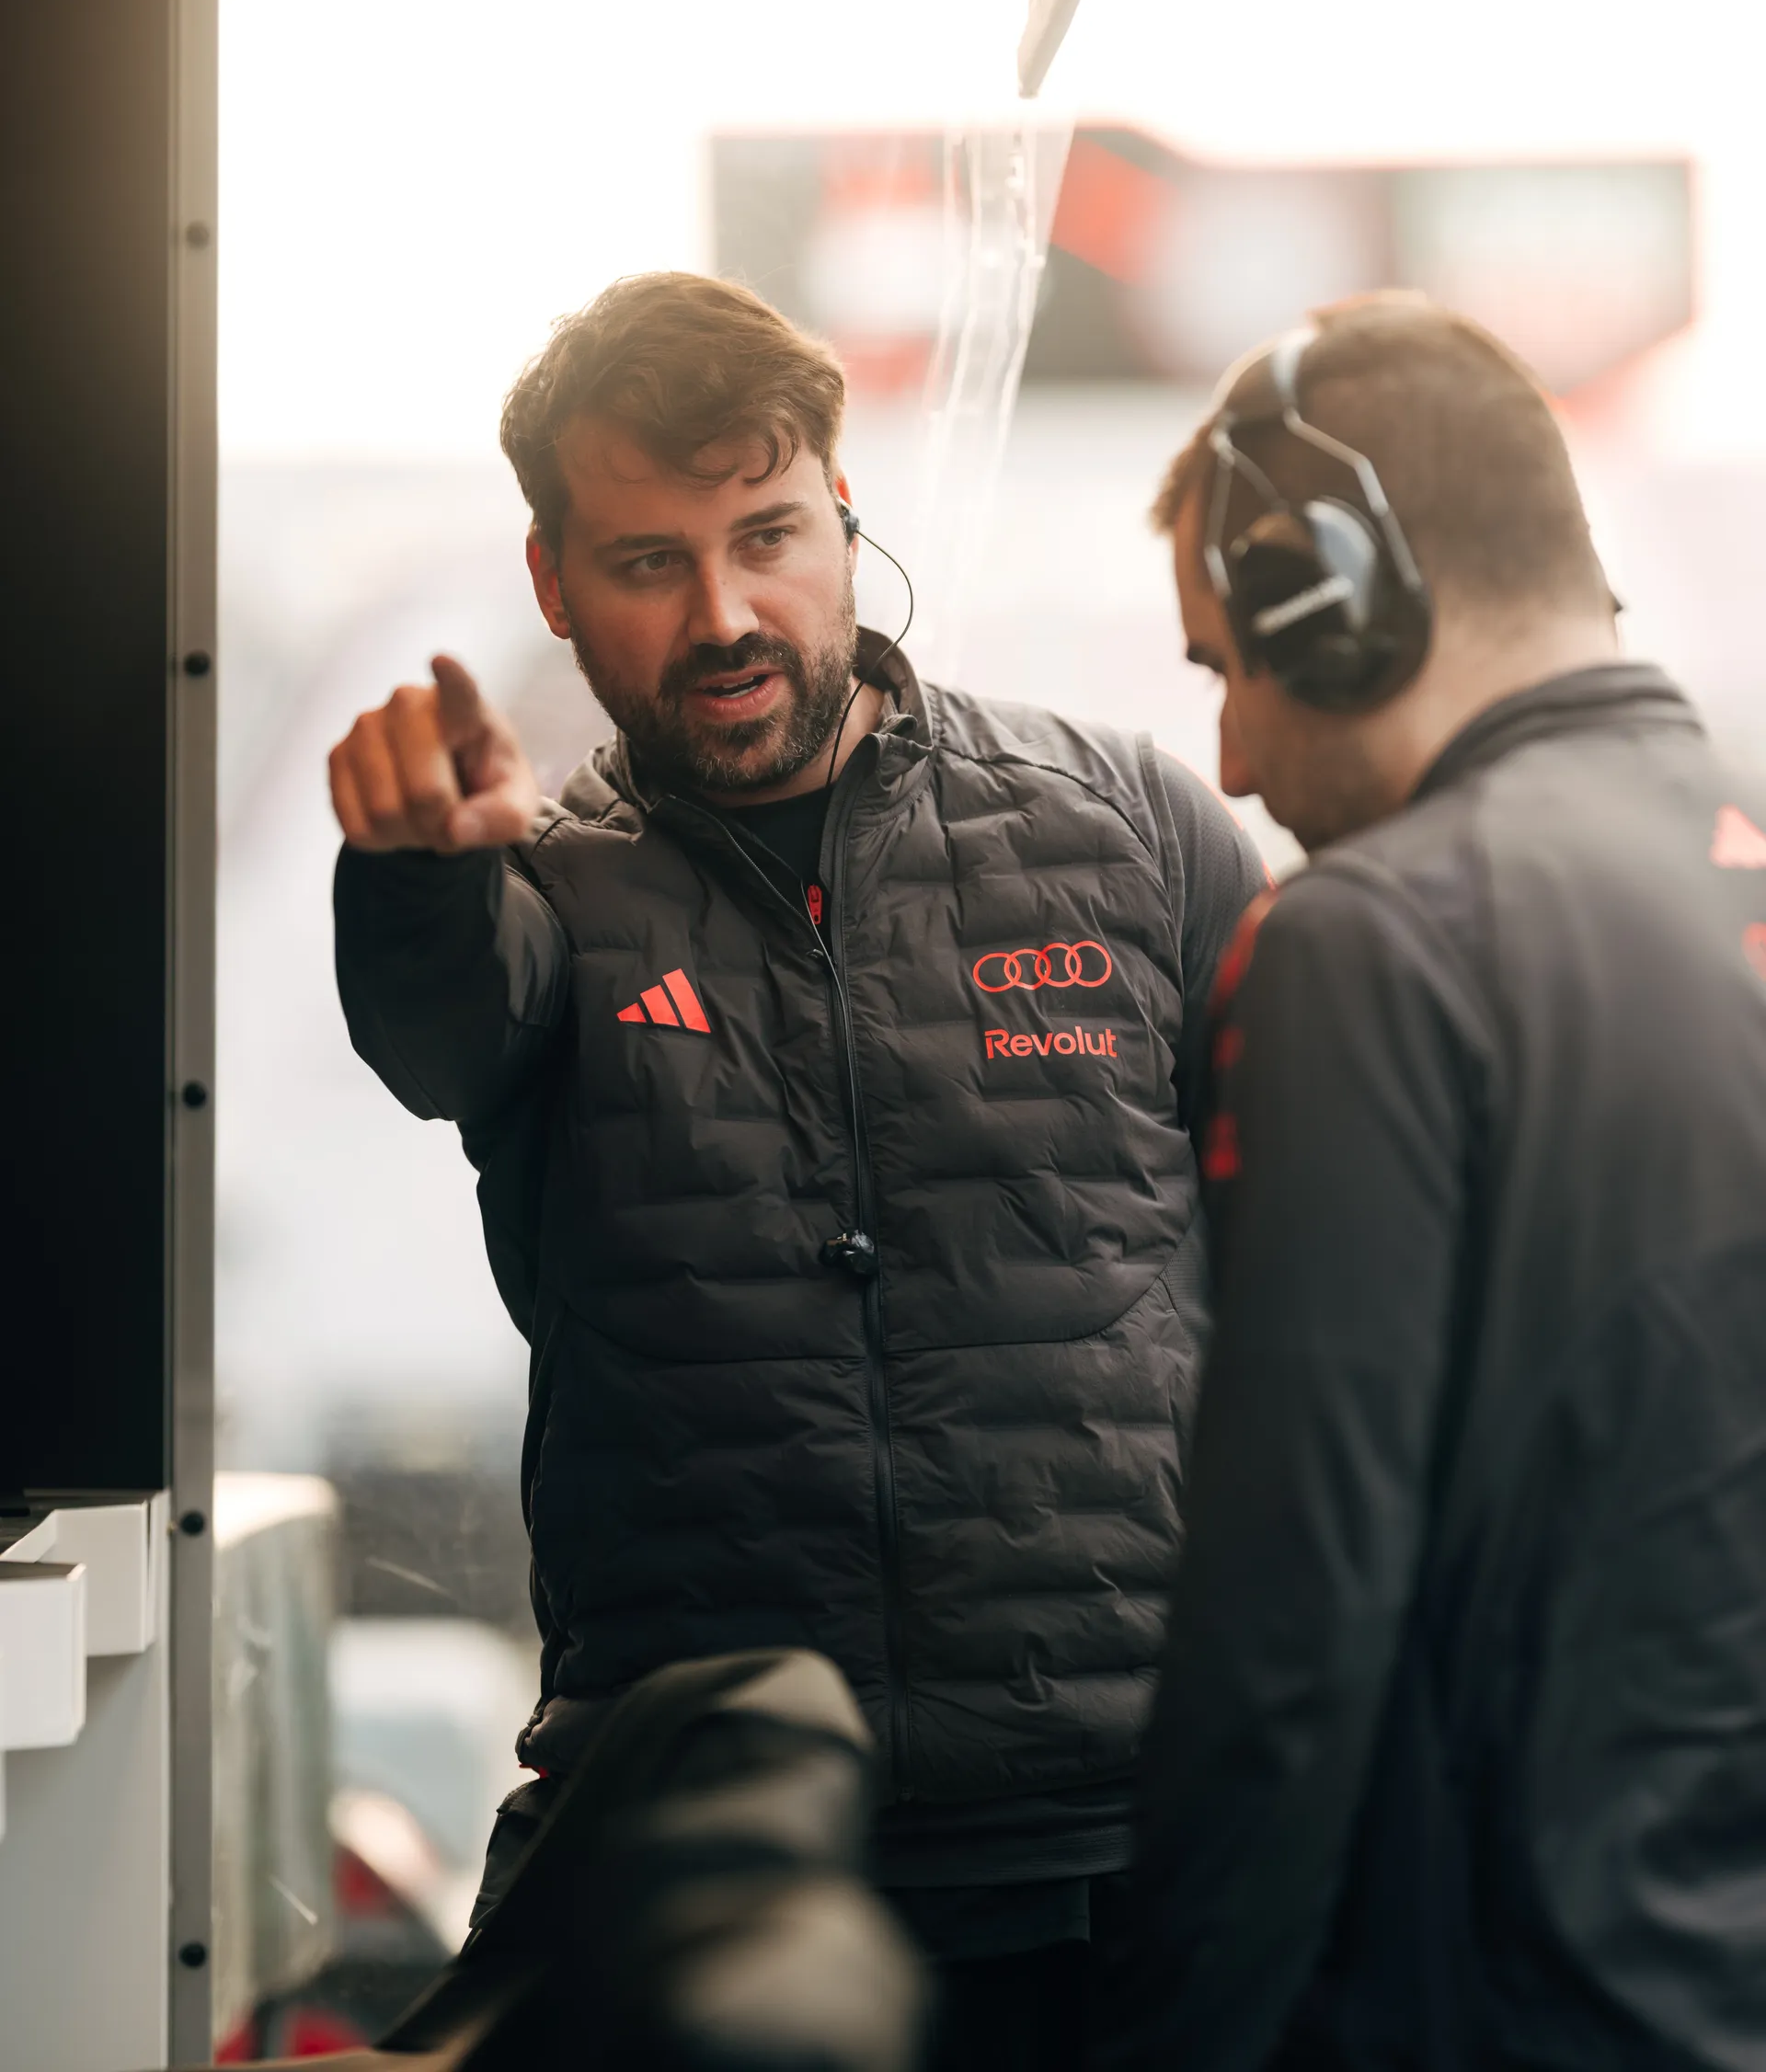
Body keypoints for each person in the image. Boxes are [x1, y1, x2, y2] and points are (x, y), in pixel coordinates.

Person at [327, 271, 1266, 2070]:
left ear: (844, 511)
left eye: (767, 535)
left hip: (1135, 1857)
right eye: (647, 562)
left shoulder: (1137, 830)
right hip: (705, 1872)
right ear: (552, 583)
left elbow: (1327, 1298)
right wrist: (416, 872)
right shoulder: (540, 895)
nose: (726, 616)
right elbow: (442, 1029)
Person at [1101, 295, 1766, 2071]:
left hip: (1518, 2003)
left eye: (1222, 667)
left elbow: (1289, 1632)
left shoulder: (1374, 943)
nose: (1231, 762)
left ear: (1336, 601)